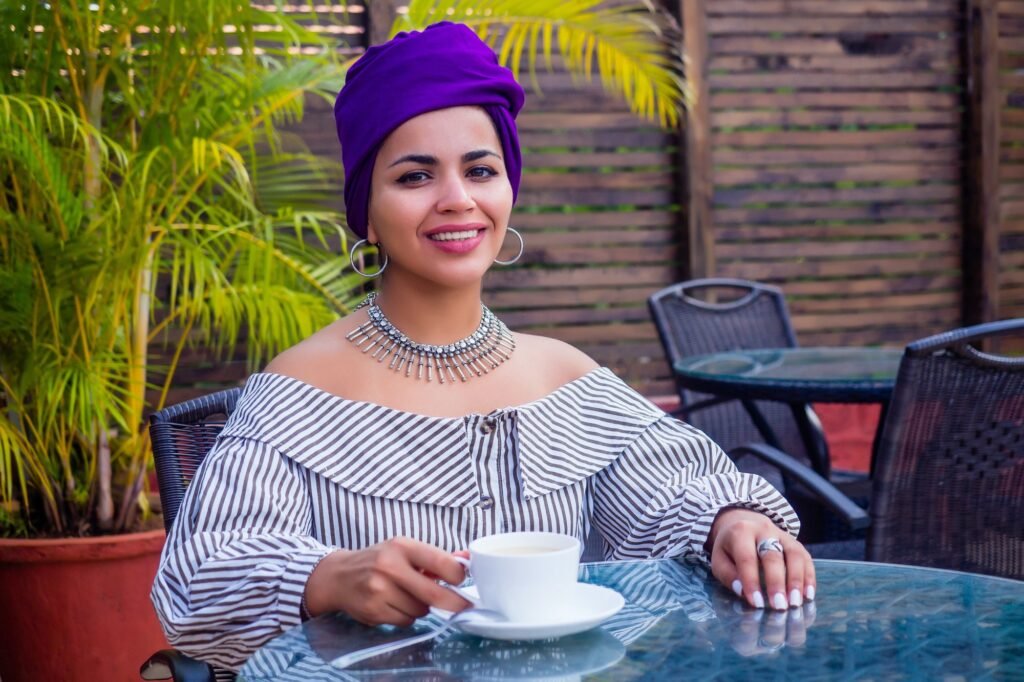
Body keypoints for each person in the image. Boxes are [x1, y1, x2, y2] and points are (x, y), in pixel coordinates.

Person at [151, 22, 814, 672]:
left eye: (481, 169)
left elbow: (677, 492)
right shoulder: (300, 388)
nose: (457, 199)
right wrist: (323, 576)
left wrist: (730, 522)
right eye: (415, 177)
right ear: (367, 213)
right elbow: (197, 582)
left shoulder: (565, 377)